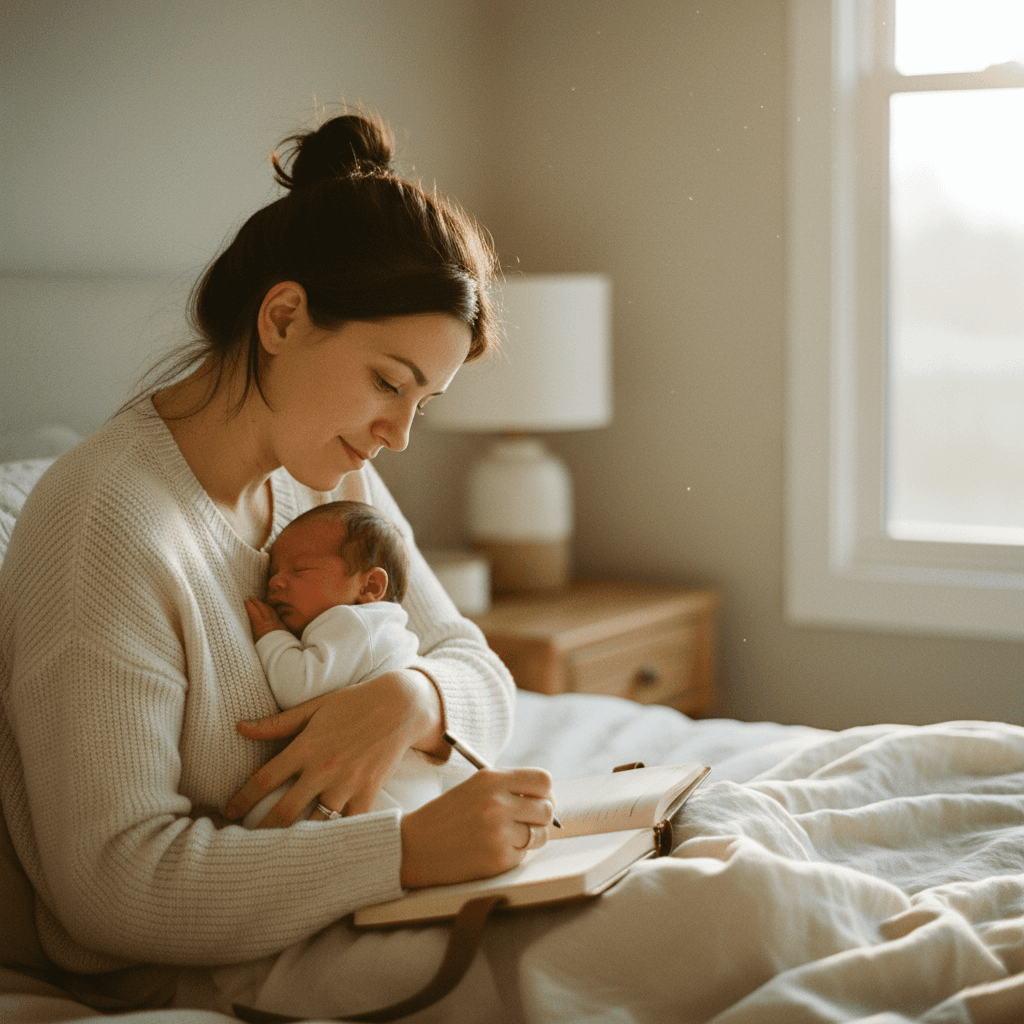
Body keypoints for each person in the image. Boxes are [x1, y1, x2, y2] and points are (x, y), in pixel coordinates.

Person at [0, 110, 554, 1006]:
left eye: (423, 402)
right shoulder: (103, 524)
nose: (399, 434)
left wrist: (411, 699)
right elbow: (111, 884)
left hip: (369, 910)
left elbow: (478, 672)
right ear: (284, 317)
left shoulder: (325, 477)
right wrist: (404, 851)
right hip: (225, 959)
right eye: (388, 382)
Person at [241, 500, 443, 827]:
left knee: (261, 816)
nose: (276, 582)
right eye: (274, 571)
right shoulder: (379, 627)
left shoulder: (353, 623)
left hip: (381, 791)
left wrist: (272, 635)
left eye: (300, 570)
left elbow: (297, 688)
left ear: (369, 587)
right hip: (406, 787)